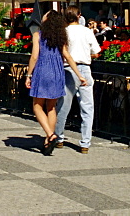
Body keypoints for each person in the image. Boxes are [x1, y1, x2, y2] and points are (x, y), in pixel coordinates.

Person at [25, 9, 87, 155]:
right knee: (51, 107)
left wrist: (28, 74)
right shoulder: (60, 37)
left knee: (37, 106)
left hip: (42, 71)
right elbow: (68, 57)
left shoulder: (38, 35)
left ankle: (50, 134)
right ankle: (48, 140)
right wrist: (79, 75)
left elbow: (34, 57)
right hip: (57, 72)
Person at [54, 6, 100, 154]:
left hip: (67, 68)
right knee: (87, 107)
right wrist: (86, 55)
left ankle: (59, 137)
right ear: (79, 16)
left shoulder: (63, 32)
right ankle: (85, 142)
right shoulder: (87, 31)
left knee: (63, 106)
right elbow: (96, 52)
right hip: (85, 68)